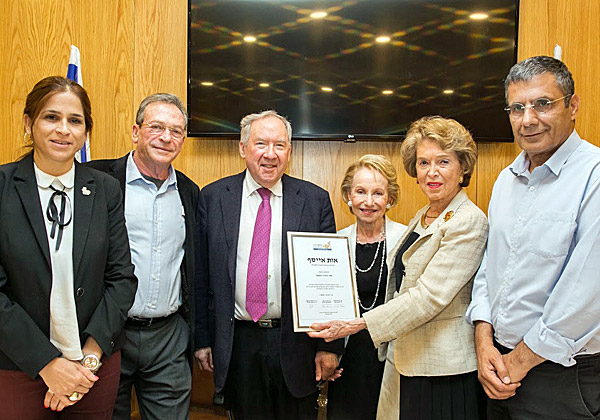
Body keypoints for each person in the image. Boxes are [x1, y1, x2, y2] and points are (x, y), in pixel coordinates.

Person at [309, 116, 488, 420]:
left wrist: (357, 325)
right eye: (423, 163)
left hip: (443, 368)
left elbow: (429, 297)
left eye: (443, 161)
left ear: (463, 168)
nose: (432, 172)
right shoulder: (424, 215)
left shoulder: (468, 221)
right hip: (409, 361)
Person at [466, 56, 600, 419]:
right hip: (498, 367)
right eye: (517, 108)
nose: (527, 119)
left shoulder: (594, 176)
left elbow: (586, 295)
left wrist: (518, 362)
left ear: (573, 106)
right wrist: (484, 341)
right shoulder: (506, 180)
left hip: (563, 378)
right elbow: (489, 269)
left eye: (542, 104)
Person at [0, 76, 137, 419]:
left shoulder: (106, 189)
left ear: (86, 132)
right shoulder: (3, 187)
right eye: (51, 117)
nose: (63, 129)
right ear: (29, 123)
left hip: (94, 368)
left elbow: (122, 279)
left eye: (75, 121)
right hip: (18, 366)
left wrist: (89, 358)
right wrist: (47, 364)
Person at [194, 110, 343, 420]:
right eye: (261, 143)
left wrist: (330, 346)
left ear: (289, 151)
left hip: (296, 344)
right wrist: (203, 339)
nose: (270, 154)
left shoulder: (314, 201)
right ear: (243, 148)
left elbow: (330, 280)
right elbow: (201, 275)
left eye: (280, 145)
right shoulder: (214, 198)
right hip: (238, 343)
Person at [86, 93, 199, 420]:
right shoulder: (97, 180)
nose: (166, 137)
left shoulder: (189, 192)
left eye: (176, 131)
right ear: (136, 131)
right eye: (156, 127)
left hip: (168, 338)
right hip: (106, 333)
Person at [327, 154, 406, 420]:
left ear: (390, 198)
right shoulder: (334, 243)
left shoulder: (406, 240)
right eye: (360, 191)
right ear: (348, 196)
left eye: (378, 193)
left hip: (393, 359)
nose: (368, 202)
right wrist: (328, 352)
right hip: (347, 361)